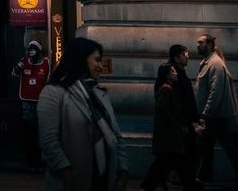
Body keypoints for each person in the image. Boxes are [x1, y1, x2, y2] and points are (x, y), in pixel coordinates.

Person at [37, 36, 128, 191]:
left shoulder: (99, 95)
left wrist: (123, 168)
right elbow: (49, 141)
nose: (100, 66)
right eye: (97, 60)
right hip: (71, 182)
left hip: (104, 180)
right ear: (81, 60)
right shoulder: (53, 93)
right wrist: (65, 172)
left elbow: (116, 135)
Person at [140, 64, 196, 191]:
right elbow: (164, 111)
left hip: (168, 137)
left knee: (165, 164)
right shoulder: (166, 90)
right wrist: (179, 126)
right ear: (167, 75)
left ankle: (149, 186)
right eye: (173, 71)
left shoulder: (166, 88)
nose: (175, 73)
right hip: (169, 137)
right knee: (172, 163)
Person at [194, 31, 238, 184]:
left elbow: (215, 92)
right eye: (198, 43)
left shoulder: (215, 64)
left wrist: (205, 114)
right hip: (215, 117)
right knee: (205, 148)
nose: (197, 45)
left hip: (218, 118)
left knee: (230, 149)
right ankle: (203, 177)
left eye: (201, 42)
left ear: (210, 45)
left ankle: (200, 177)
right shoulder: (208, 62)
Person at [12, 40, 50, 174]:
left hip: (41, 103)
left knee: (40, 134)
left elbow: (49, 82)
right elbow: (14, 74)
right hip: (27, 104)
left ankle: (40, 161)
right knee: (29, 134)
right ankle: (30, 162)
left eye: (33, 49)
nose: (31, 51)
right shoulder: (24, 61)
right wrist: (19, 65)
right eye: (29, 49)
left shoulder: (46, 63)